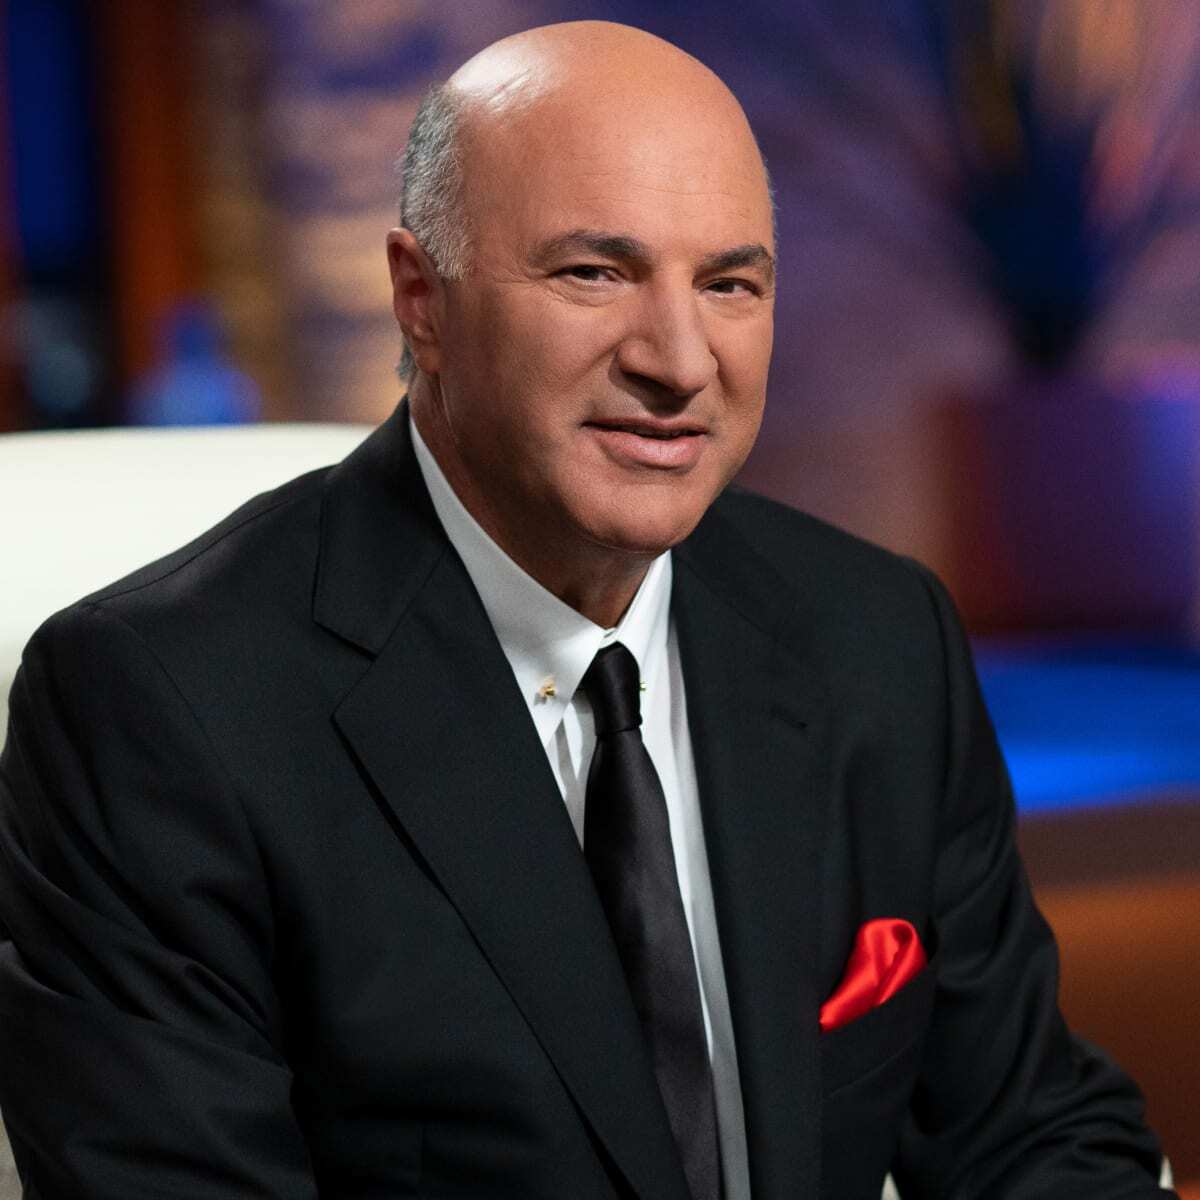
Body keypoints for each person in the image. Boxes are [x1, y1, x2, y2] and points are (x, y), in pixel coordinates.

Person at [0, 20, 1173, 1200]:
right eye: (594, 274)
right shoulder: (158, 707)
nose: (679, 360)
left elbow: (1032, 1136)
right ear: (421, 299)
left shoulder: (877, 637)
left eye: (729, 285)